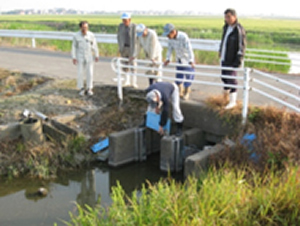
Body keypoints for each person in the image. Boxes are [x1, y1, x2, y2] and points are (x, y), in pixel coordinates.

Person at [219, 8, 246, 109]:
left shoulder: (238, 30)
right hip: (225, 57)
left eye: (229, 17)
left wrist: (238, 61)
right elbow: (224, 40)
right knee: (224, 77)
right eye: (226, 17)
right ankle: (225, 98)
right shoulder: (226, 27)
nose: (227, 19)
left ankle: (233, 101)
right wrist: (220, 51)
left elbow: (241, 46)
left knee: (231, 79)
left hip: (232, 59)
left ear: (235, 17)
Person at [163, 23, 195, 100]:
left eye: (168, 34)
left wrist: (191, 60)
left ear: (173, 32)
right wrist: (168, 59)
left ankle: (186, 92)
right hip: (179, 58)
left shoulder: (183, 37)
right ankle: (179, 92)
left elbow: (189, 48)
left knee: (188, 76)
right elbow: (170, 49)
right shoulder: (170, 40)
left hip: (187, 59)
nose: (167, 37)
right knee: (178, 76)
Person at [71, 21, 99, 96]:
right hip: (80, 56)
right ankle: (81, 88)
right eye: (83, 27)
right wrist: (73, 57)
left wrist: (96, 55)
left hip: (89, 56)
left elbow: (94, 46)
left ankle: (89, 88)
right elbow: (74, 47)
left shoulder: (91, 35)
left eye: (86, 27)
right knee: (80, 73)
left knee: (90, 72)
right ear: (80, 28)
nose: (85, 29)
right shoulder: (76, 36)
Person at [117, 12, 138, 88]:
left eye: (126, 20)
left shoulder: (134, 27)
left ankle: (134, 82)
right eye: (123, 20)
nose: (124, 22)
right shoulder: (121, 26)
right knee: (125, 65)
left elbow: (136, 39)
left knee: (133, 65)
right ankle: (127, 81)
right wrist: (120, 47)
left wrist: (135, 52)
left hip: (132, 48)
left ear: (129, 20)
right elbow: (118, 36)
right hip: (124, 47)